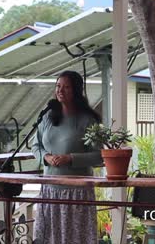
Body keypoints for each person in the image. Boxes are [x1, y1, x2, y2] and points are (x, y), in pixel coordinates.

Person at [32, 70, 102, 244]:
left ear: (76, 90)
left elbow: (100, 156)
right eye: (58, 86)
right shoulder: (47, 116)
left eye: (66, 87)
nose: (60, 90)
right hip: (49, 190)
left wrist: (71, 158)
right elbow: (35, 146)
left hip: (77, 193)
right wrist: (46, 157)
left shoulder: (88, 120)